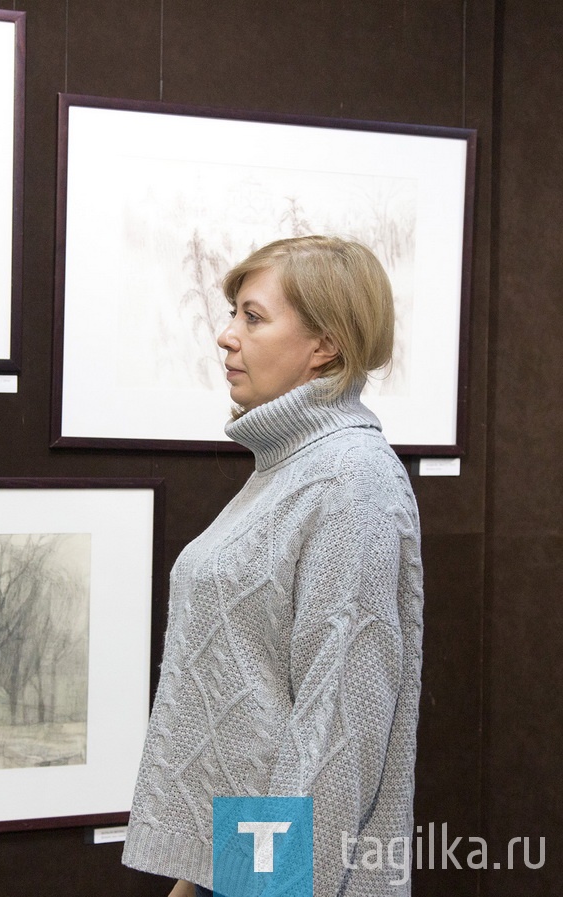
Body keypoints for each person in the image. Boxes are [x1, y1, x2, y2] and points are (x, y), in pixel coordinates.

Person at [121, 235, 424, 896]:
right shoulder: (286, 467)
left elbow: (332, 738)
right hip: (245, 872)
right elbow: (254, 721)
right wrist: (194, 884)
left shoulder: (351, 479)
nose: (226, 336)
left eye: (252, 317)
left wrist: (253, 887)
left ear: (326, 344)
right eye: (232, 313)